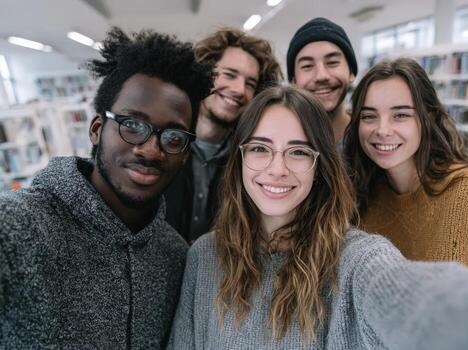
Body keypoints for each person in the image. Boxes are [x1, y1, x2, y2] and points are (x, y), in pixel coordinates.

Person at [168, 86, 468, 350]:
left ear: (320, 165)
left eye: (298, 151)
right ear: (240, 158)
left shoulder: (355, 260)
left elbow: (413, 298)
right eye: (260, 148)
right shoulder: (204, 257)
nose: (277, 169)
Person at [0, 27, 211, 349]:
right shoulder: (14, 228)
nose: (151, 150)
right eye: (133, 126)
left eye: (172, 137)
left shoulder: (174, 256)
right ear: (97, 129)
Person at [344, 57, 468, 279]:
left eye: (401, 115)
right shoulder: (362, 197)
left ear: (427, 119)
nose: (382, 130)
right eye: (369, 116)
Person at [164, 27, 282, 244]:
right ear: (203, 73)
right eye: (229, 75)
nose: (239, 90)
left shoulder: (251, 162)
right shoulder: (164, 146)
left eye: (250, 84)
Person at [287, 17, 358, 152]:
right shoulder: (283, 142)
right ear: (293, 81)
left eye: (332, 63)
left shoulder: (372, 140)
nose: (321, 76)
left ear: (351, 72)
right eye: (307, 66)